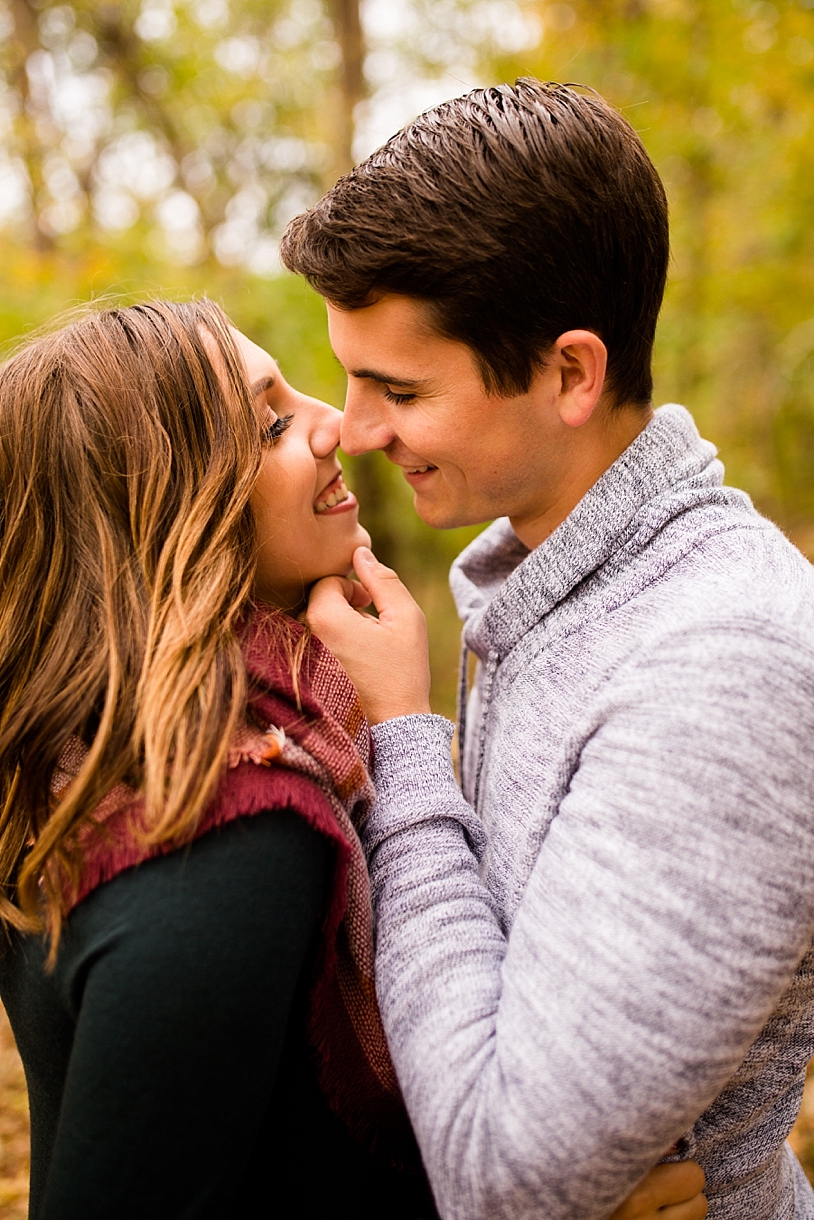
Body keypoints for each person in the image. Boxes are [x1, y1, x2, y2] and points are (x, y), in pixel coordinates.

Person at [0, 299, 701, 1220]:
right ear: (170, 510)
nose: (338, 426)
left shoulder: (95, 760)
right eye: (273, 423)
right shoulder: (224, 834)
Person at [281, 79, 814, 1220]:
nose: (356, 427)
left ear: (571, 373)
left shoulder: (721, 667)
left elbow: (502, 1170)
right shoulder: (560, 588)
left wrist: (406, 740)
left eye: (401, 388)